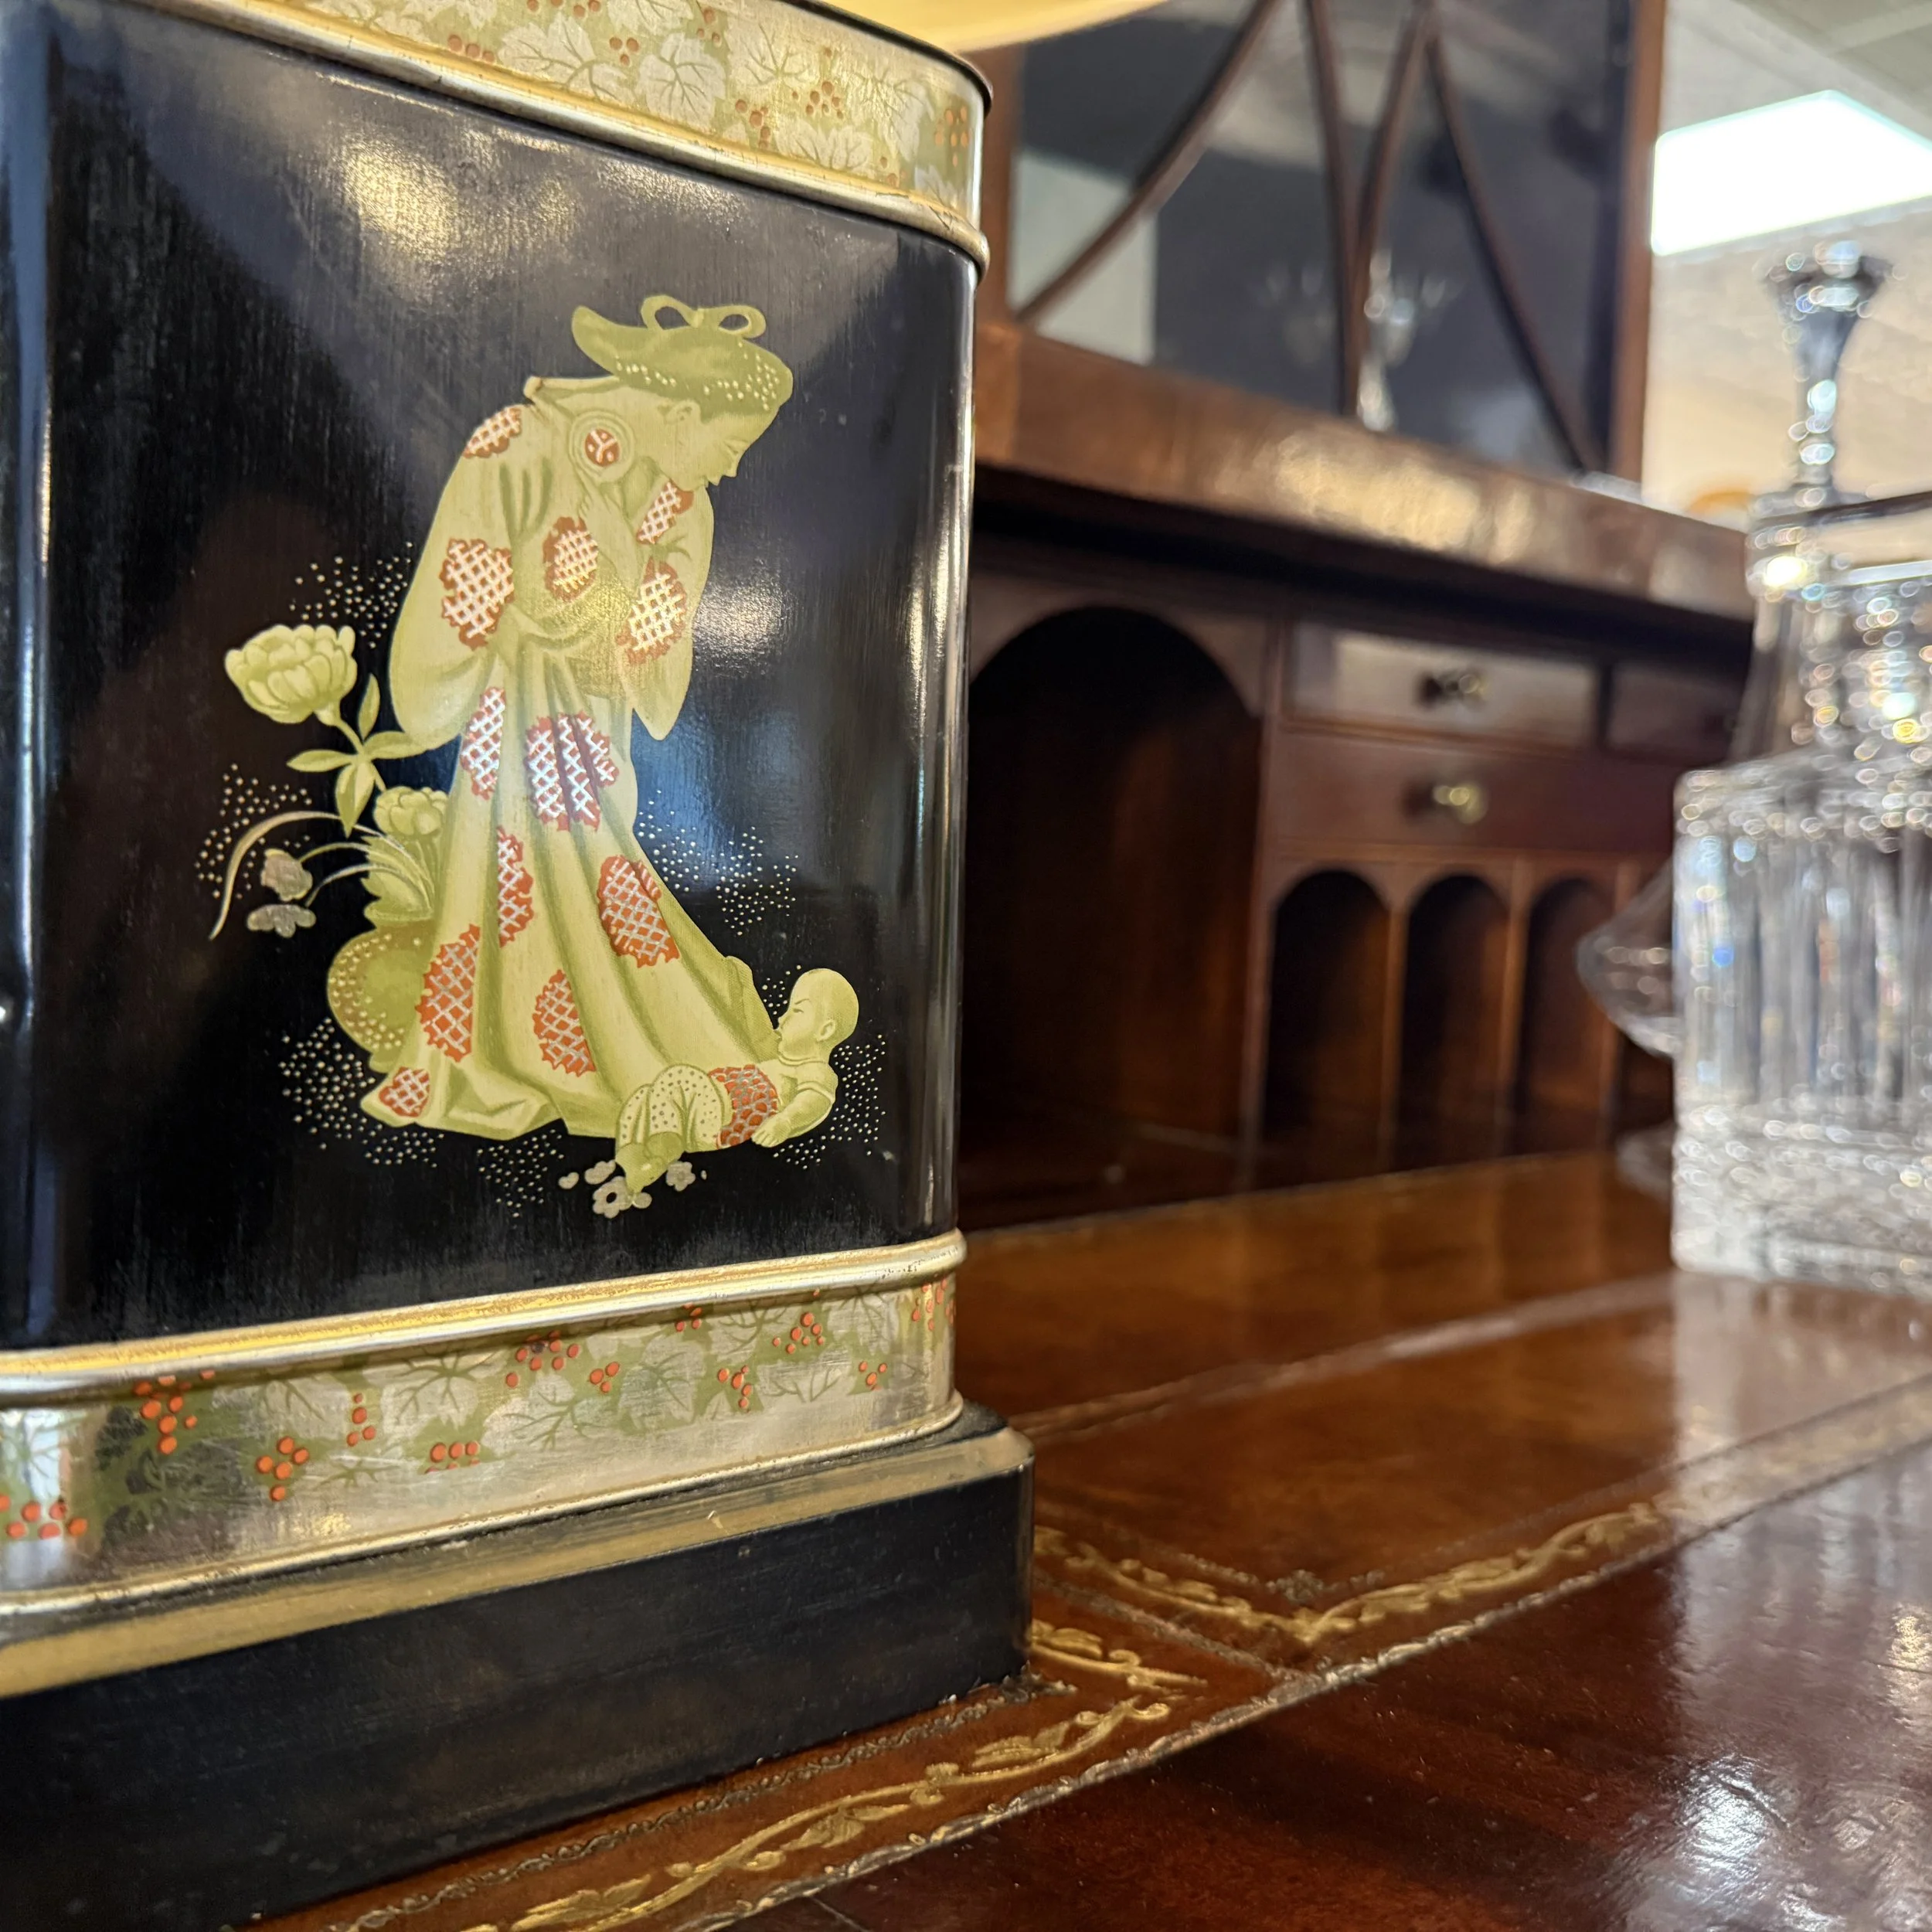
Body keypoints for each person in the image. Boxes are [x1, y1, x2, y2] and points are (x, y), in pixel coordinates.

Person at [336, 296, 857, 1160]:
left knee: (602, 883)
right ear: (684, 414)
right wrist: (498, 656)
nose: (727, 469)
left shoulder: (681, 509)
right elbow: (464, 587)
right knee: (513, 882)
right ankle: (512, 1053)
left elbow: (650, 662)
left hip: (587, 727)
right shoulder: (521, 446)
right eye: (727, 445)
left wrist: (630, 595)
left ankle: (622, 1054)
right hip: (510, 714)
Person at [614, 968, 860, 1191]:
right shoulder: (777, 1052)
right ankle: (634, 1163)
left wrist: (785, 1121)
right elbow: (757, 1031)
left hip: (722, 1120)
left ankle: (662, 1152)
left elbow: (813, 1101)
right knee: (642, 1097)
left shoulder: (816, 1070)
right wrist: (746, 986)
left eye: (796, 1011)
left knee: (677, 1079)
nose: (782, 1018)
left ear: (825, 1030)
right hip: (700, 1112)